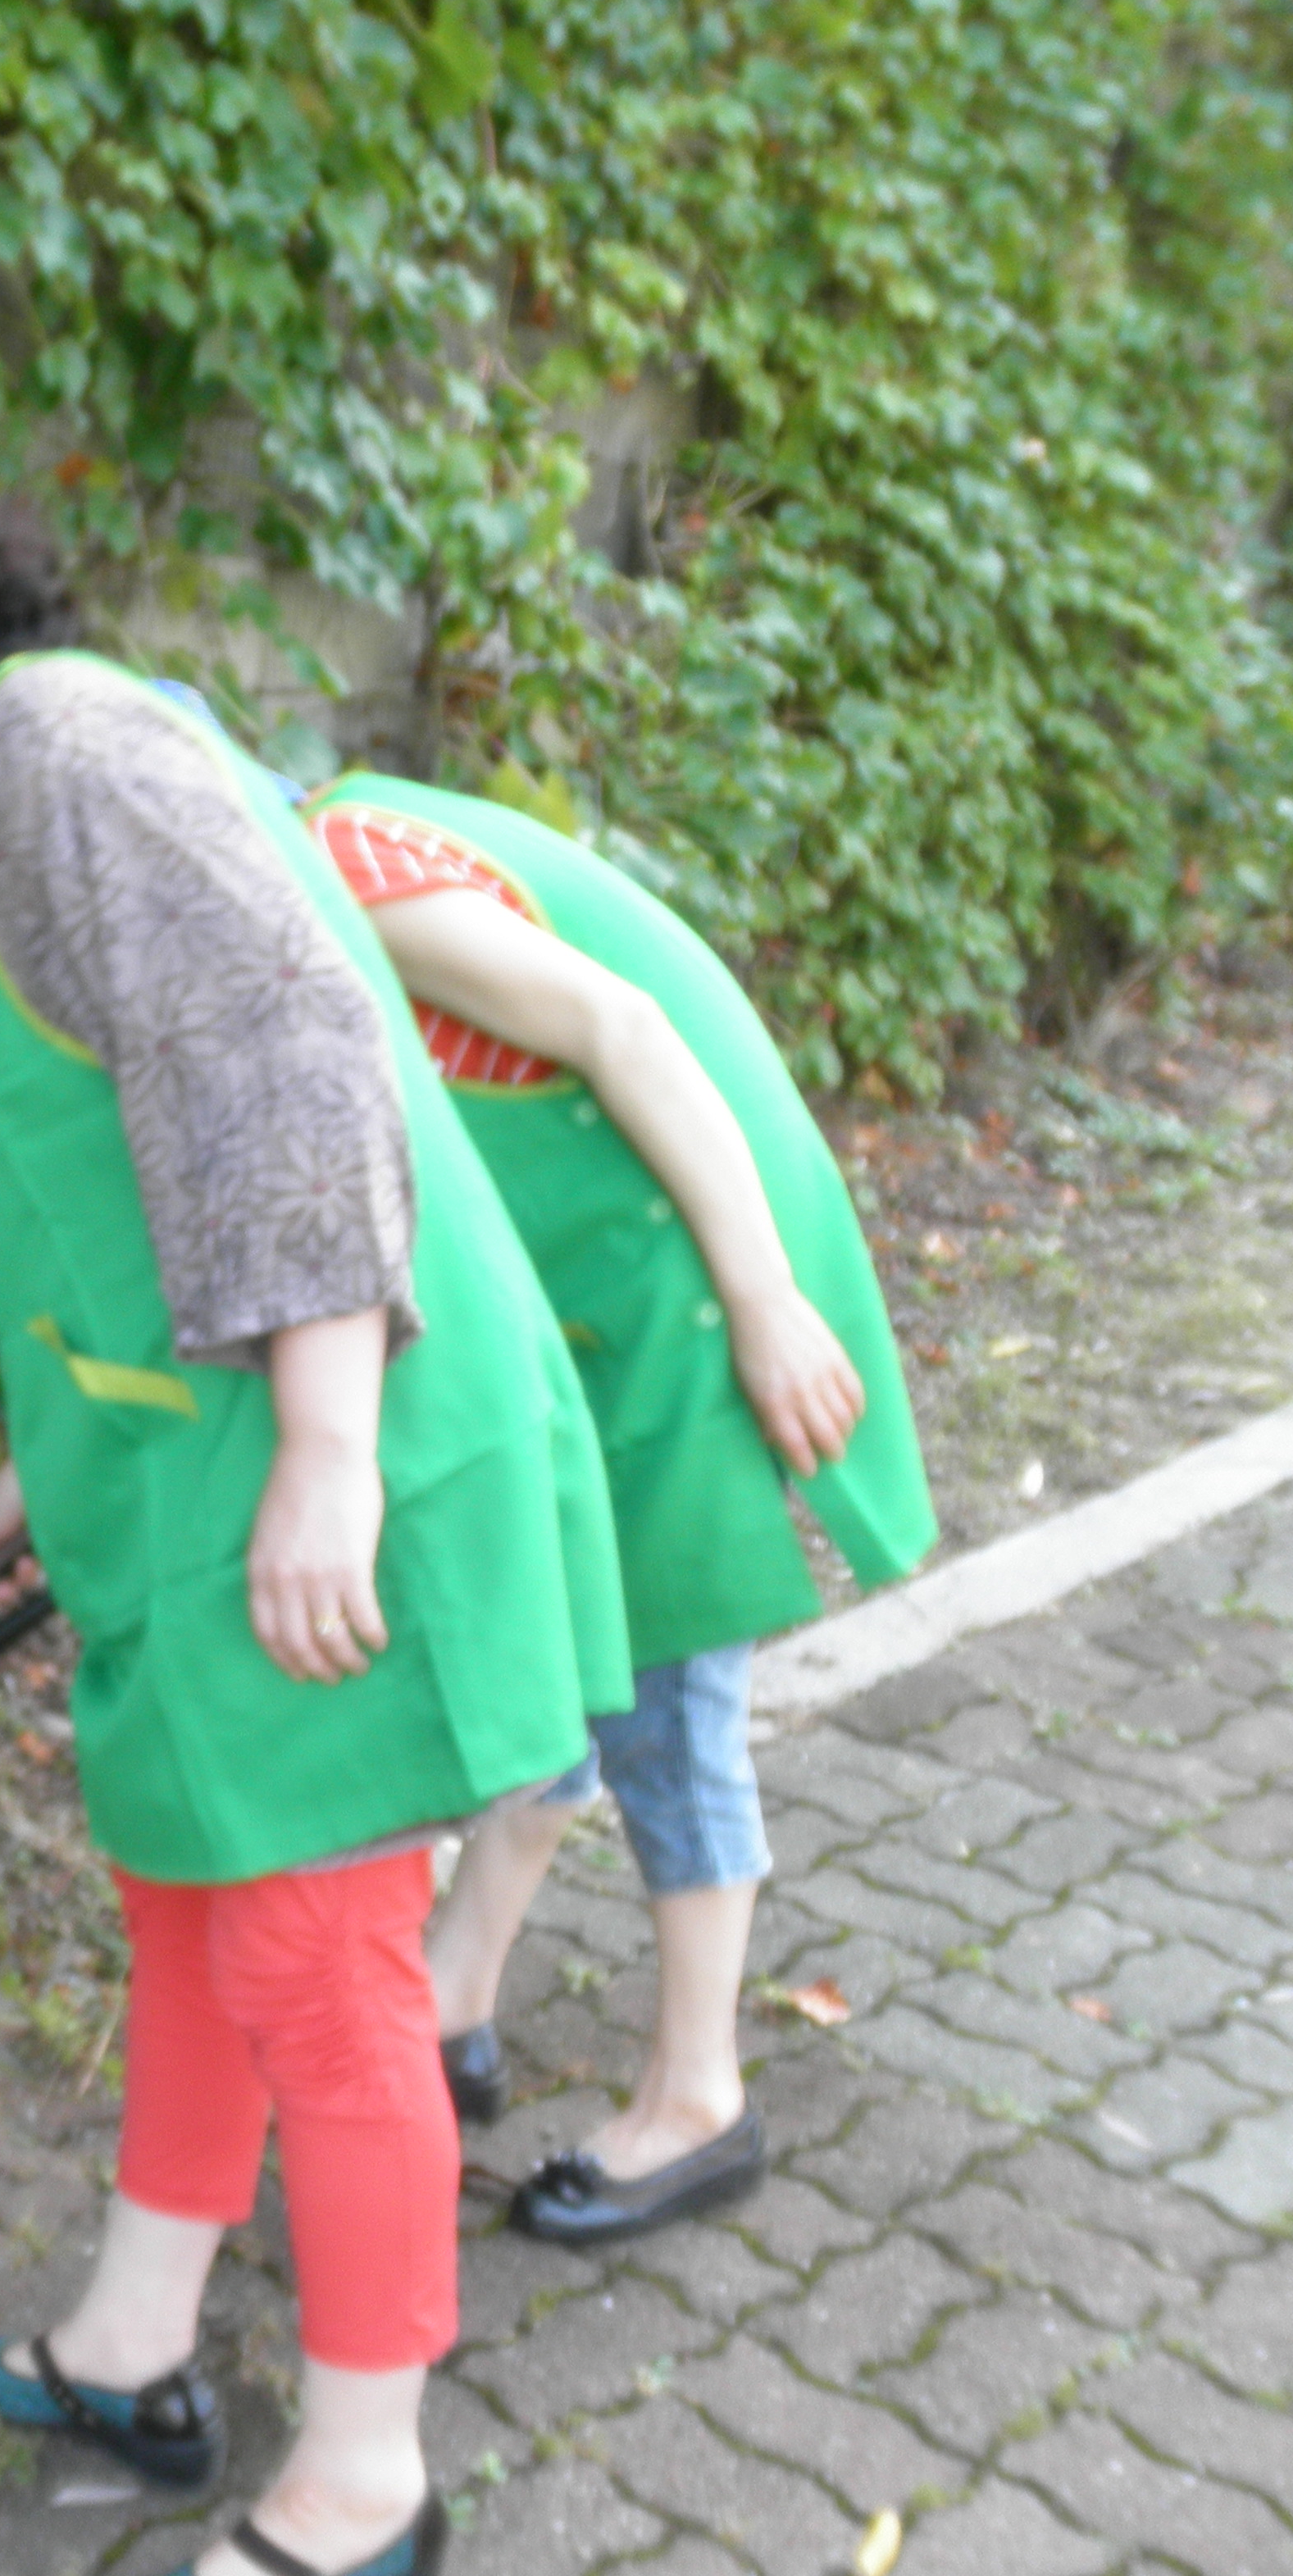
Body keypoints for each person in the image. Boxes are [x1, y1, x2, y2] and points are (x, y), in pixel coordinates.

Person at [0, 431, 634, 2576]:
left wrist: (324, 1452)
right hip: (198, 1442)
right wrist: (62, 1435)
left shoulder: (68, 768)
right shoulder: (52, 757)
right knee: (195, 1901)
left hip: (315, 1447)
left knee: (320, 1958)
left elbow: (290, 1054)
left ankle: (367, 2482)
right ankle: (135, 2346)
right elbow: (140, 1137)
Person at [300, 771, 936, 2241]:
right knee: (551, 1624)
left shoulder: (357, 886)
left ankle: (699, 2097)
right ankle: (459, 1986)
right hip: (592, 1291)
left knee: (666, 1693)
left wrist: (764, 1298)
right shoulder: (306, 877)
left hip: (687, 1276)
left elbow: (623, 1029)